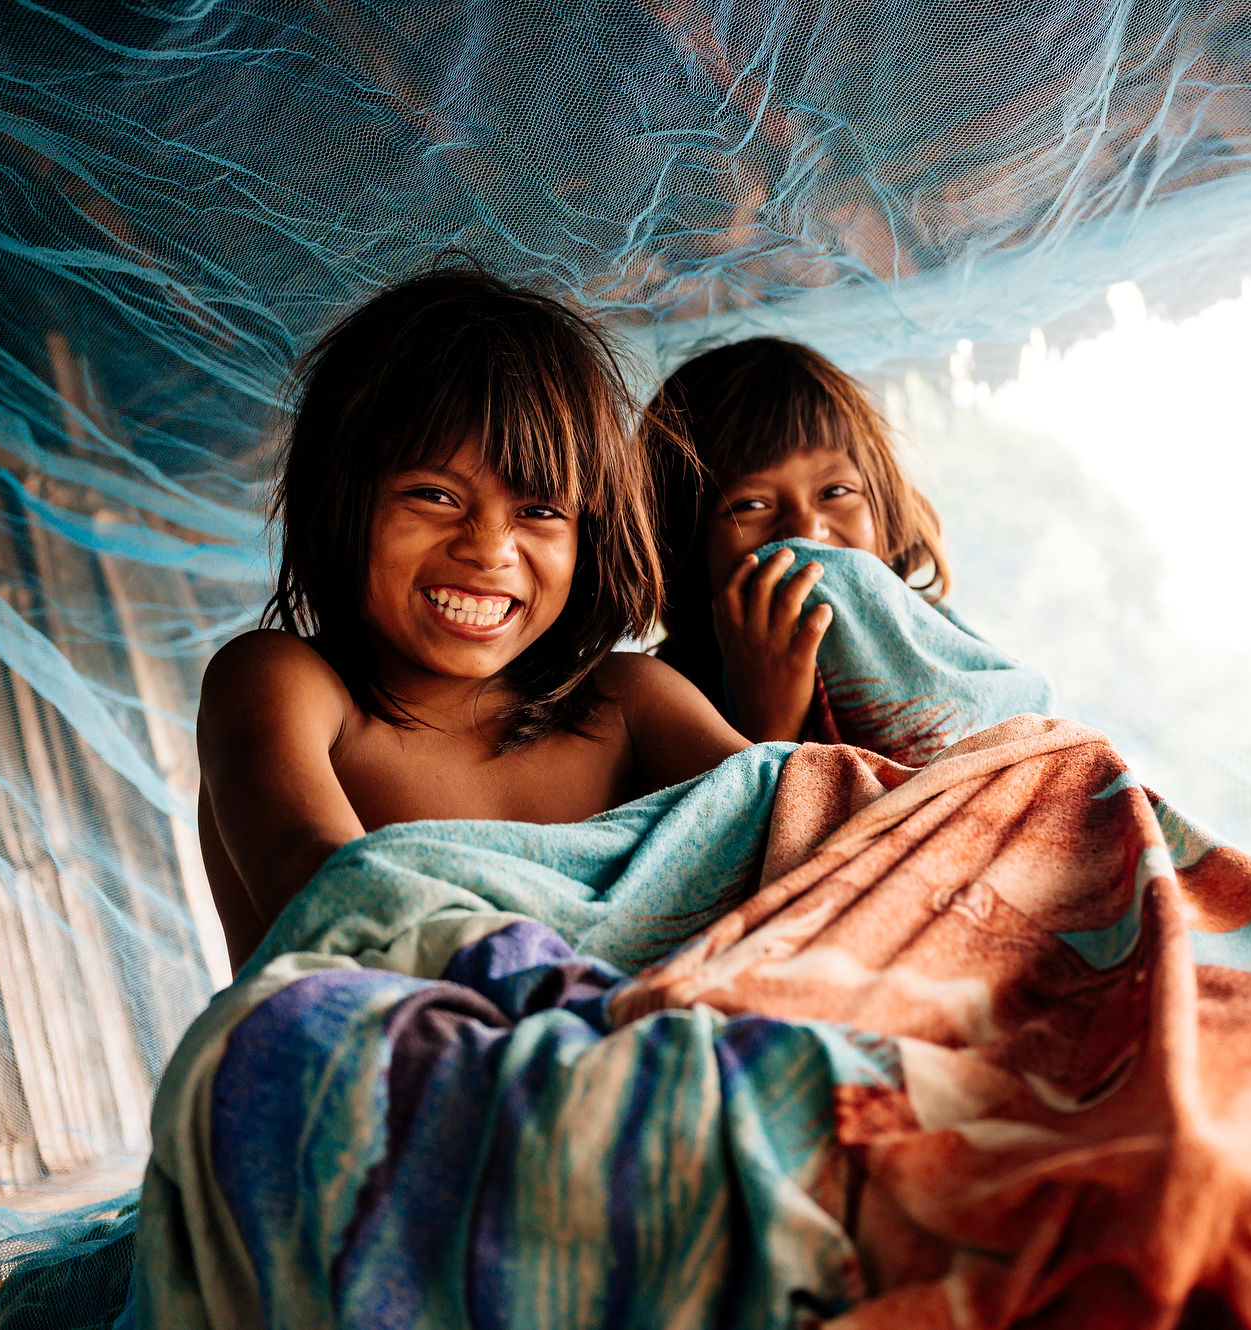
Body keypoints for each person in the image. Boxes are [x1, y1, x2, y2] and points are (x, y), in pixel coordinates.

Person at [196, 265, 748, 970]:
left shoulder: (629, 703)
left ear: (589, 537)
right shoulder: (283, 682)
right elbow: (327, 889)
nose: (489, 550)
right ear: (339, 499)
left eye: (540, 510)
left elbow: (794, 823)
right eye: (434, 495)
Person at [644, 336, 952, 743]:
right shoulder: (661, 705)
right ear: (681, 548)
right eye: (752, 504)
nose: (807, 531)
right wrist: (770, 722)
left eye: (835, 492)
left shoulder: (939, 645)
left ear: (885, 508)